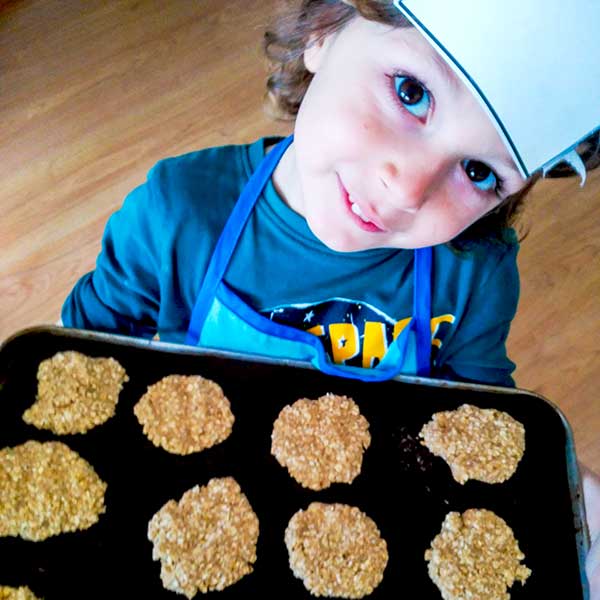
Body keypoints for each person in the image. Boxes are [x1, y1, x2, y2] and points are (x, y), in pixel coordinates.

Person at [60, 0, 599, 593]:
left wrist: (571, 489)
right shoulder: (177, 216)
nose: (406, 189)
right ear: (323, 28)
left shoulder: (475, 277)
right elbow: (81, 356)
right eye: (411, 92)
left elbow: (483, 417)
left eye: (477, 171)